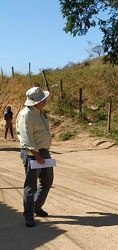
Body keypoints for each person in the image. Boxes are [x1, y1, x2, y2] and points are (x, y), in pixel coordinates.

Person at [16, 87, 53, 228]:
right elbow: (26, 138)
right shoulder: (26, 115)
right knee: (31, 186)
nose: (44, 101)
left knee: (47, 181)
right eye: (42, 99)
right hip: (33, 154)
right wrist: (36, 155)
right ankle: (28, 216)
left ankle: (37, 206)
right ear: (35, 101)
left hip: (44, 152)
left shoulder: (40, 113)